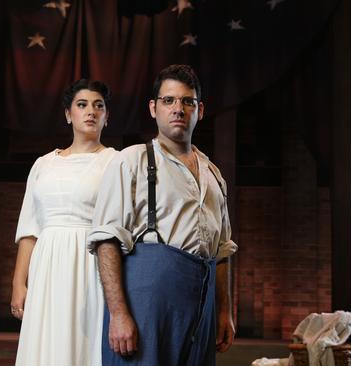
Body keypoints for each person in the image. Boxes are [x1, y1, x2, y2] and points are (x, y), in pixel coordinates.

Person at [87, 64, 238, 365]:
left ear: (200, 110)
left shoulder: (213, 174)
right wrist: (118, 314)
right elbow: (106, 241)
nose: (178, 109)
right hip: (148, 302)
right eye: (168, 101)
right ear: (154, 108)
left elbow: (222, 252)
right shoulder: (132, 161)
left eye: (187, 101)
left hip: (202, 307)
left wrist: (224, 311)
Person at [11, 79, 117, 366]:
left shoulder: (116, 162)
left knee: (85, 344)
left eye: (99, 106)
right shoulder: (43, 164)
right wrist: (19, 283)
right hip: (46, 266)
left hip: (91, 265)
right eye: (82, 105)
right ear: (69, 114)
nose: (91, 112)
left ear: (107, 116)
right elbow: (29, 228)